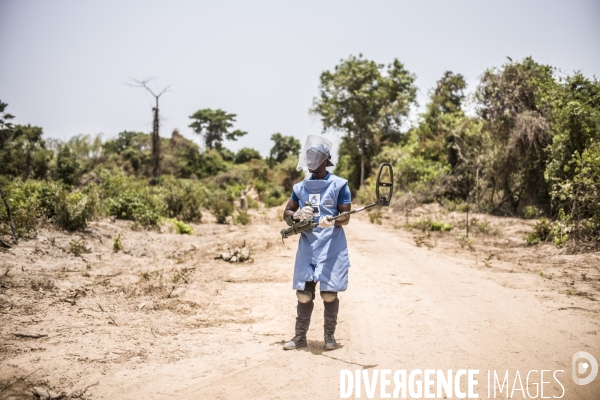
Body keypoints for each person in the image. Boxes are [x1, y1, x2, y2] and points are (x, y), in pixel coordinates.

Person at [282, 136, 352, 351]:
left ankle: (329, 337)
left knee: (329, 294)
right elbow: (286, 212)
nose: (311, 160)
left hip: (332, 245)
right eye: (308, 156)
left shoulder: (340, 185)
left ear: (325, 160)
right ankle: (299, 336)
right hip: (308, 247)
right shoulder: (300, 187)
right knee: (304, 294)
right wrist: (295, 215)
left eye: (315, 157)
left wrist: (331, 221)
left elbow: (346, 217)